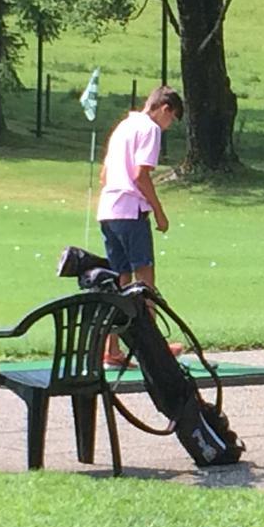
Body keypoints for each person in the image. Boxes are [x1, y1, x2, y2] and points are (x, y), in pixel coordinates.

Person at [97, 85, 184, 365]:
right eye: (171, 119)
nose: (168, 126)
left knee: (119, 281)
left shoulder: (124, 126)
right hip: (131, 211)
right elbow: (140, 175)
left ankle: (112, 349)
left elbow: (104, 174)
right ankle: (154, 348)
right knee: (145, 282)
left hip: (108, 210)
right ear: (165, 109)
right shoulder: (150, 129)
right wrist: (159, 212)